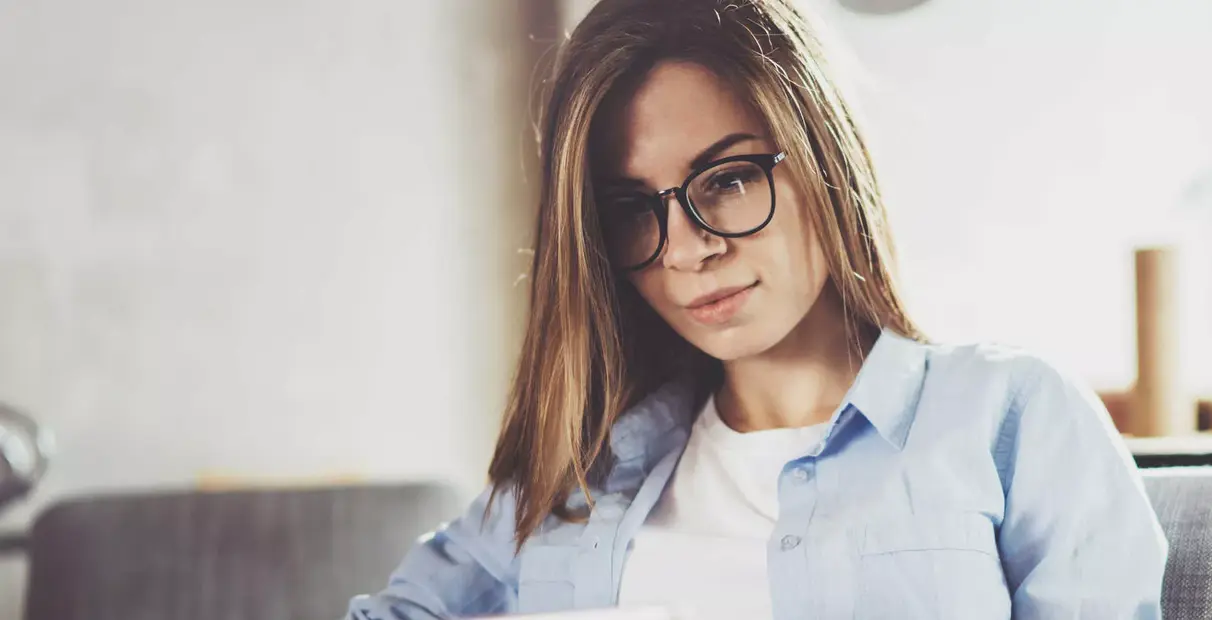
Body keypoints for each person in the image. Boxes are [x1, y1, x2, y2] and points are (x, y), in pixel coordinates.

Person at [344, 0, 1166, 617]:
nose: (684, 249)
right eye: (635, 208)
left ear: (820, 158)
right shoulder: (579, 470)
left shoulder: (1008, 417)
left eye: (728, 180)